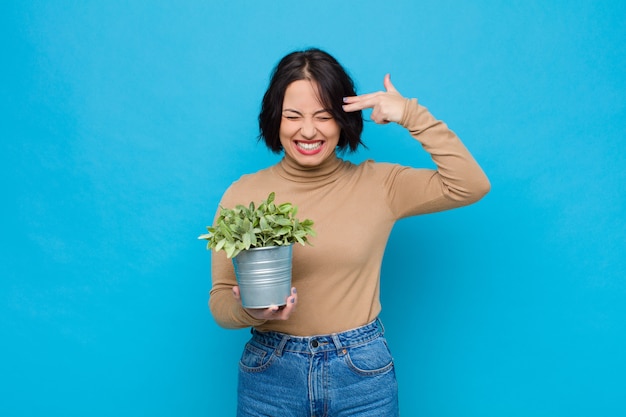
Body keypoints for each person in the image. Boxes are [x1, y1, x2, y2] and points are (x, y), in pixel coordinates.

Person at [209, 48, 490, 416]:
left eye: (324, 117)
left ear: (344, 120)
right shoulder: (242, 194)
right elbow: (219, 301)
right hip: (270, 374)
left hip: (360, 373)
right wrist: (252, 310)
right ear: (276, 120)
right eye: (293, 116)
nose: (308, 130)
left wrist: (410, 114)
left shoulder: (380, 184)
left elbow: (470, 185)